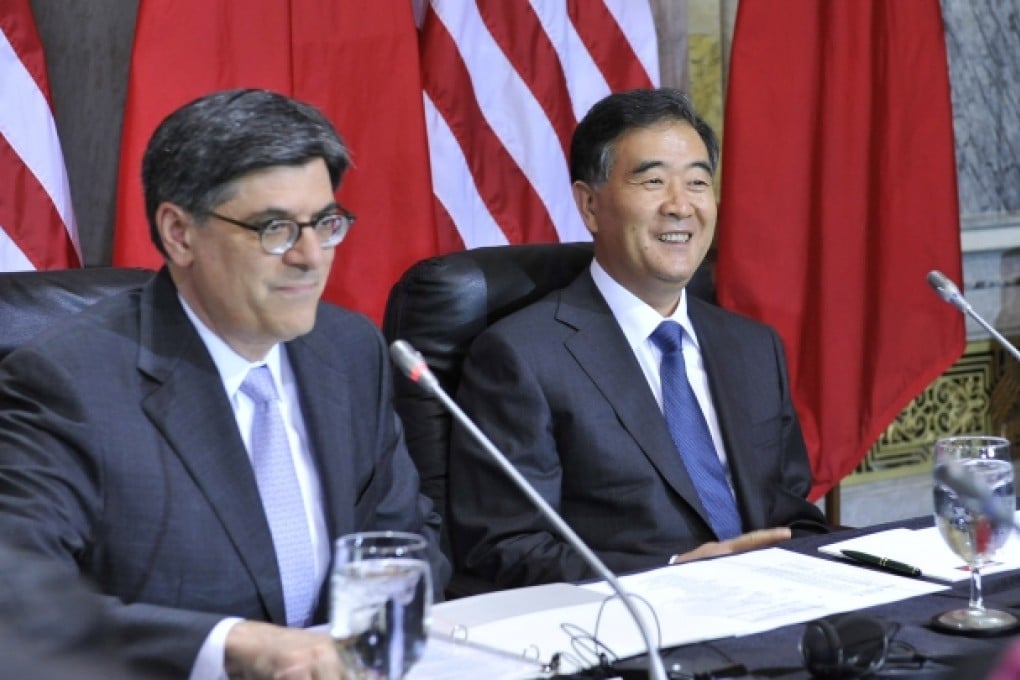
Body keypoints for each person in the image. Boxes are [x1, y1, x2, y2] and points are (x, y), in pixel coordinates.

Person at [0, 89, 448, 678]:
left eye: (326, 223)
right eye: (276, 228)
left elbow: (408, 543)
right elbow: (17, 598)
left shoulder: (350, 350)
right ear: (180, 233)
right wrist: (232, 646)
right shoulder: (67, 383)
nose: (311, 257)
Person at [447, 88, 829, 589]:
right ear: (589, 205)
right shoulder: (522, 357)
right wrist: (672, 574)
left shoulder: (754, 348)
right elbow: (506, 546)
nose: (680, 206)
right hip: (630, 629)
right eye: (652, 181)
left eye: (697, 181)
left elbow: (789, 513)